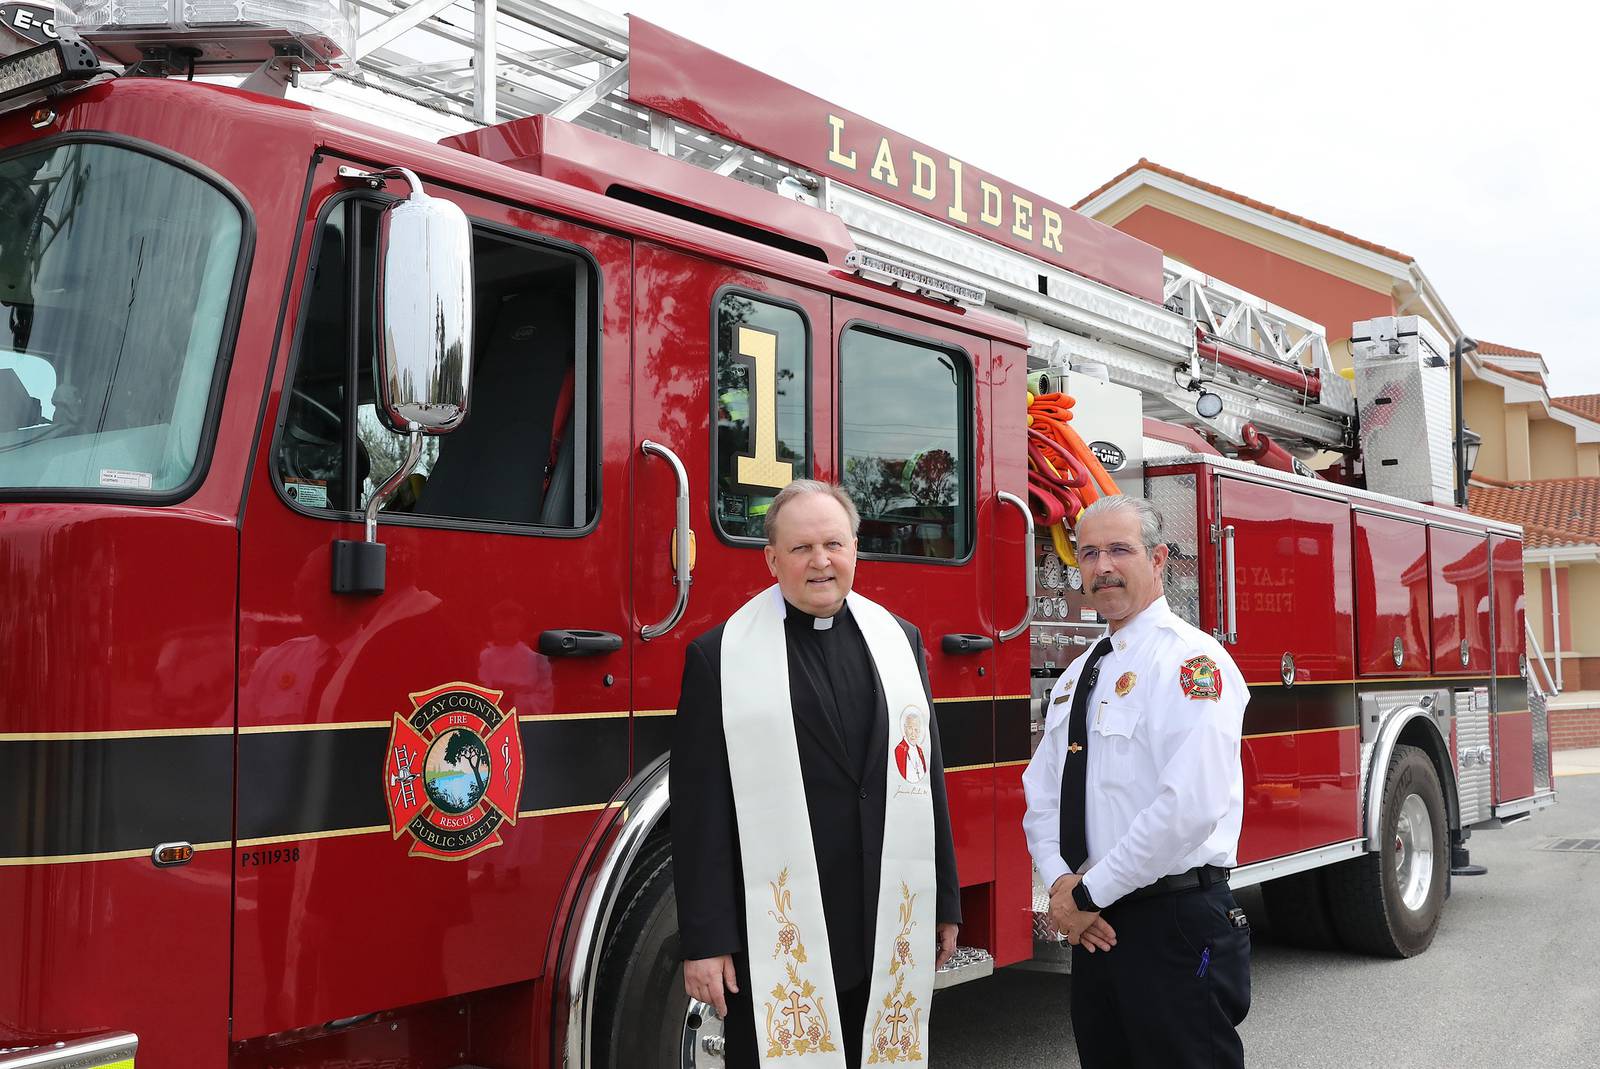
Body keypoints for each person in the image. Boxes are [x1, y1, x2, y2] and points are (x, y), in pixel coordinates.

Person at [672, 479, 961, 1068]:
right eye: (801, 548)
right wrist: (704, 941)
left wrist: (944, 904)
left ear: (855, 549)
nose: (820, 561)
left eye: (834, 543)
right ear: (772, 560)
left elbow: (926, 779)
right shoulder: (719, 656)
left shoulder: (899, 643)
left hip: (885, 918)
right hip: (778, 933)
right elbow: (700, 812)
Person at [1022, 495, 1251, 1068]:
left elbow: (1189, 807)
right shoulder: (1081, 673)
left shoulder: (1193, 663)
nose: (1102, 567)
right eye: (1089, 552)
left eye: (1119, 550)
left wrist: (1088, 893)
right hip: (1093, 923)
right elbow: (1043, 792)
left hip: (1172, 922)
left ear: (1159, 559)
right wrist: (1059, 885)